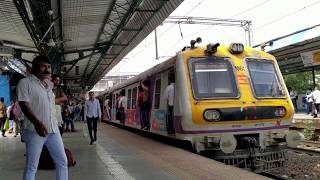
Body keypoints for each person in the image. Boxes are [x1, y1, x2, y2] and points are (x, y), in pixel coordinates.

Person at [17, 55, 68, 180]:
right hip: (35, 131)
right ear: (34, 67)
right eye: (43, 66)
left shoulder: (48, 86)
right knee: (32, 166)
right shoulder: (25, 83)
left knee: (62, 162)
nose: (47, 69)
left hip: (53, 130)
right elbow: (24, 105)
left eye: (49, 67)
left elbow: (50, 107)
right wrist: (36, 122)